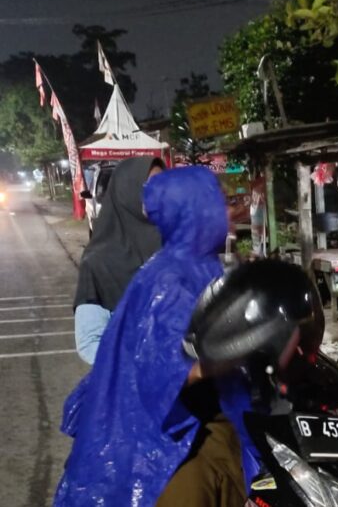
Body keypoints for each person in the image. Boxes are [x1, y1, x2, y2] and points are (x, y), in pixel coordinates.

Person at [54, 166, 246, 507]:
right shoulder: (170, 277)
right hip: (166, 437)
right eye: (219, 203)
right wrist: (239, 350)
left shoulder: (198, 264)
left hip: (195, 416)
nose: (231, 211)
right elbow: (165, 368)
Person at [73, 157, 164, 364]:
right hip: (137, 378)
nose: (161, 194)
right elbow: (90, 343)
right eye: (150, 187)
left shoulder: (173, 243)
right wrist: (146, 367)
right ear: (127, 191)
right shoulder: (98, 262)